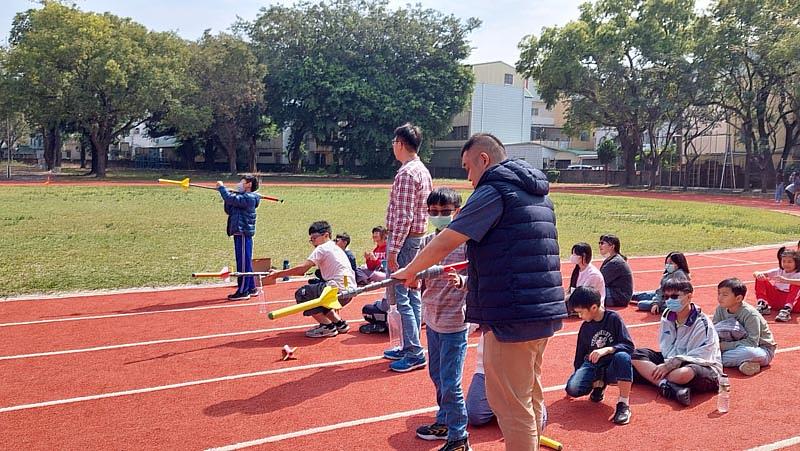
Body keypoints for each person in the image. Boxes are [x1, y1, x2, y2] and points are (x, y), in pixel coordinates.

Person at [393, 133, 566, 451]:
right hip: (542, 310)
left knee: (511, 407)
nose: (468, 177)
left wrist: (410, 269)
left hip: (512, 314)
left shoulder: (494, 190)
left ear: (483, 160)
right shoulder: (536, 193)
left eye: (467, 168)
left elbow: (447, 239)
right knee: (529, 394)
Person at [413, 187, 470, 450]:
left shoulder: (466, 244)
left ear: (457, 212)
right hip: (432, 318)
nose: (438, 216)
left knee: (450, 382)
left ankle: (459, 437)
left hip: (454, 324)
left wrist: (463, 281)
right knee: (436, 374)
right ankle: (444, 421)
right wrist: (410, 277)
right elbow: (415, 273)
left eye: (445, 212)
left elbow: (480, 277)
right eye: (433, 212)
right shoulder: (427, 243)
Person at [383, 123, 432, 372]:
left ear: (400, 144)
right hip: (418, 238)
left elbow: (403, 218)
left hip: (405, 241)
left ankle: (413, 351)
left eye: (394, 142)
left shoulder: (405, 174)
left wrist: (392, 252)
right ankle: (409, 345)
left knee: (403, 297)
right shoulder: (423, 171)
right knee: (412, 293)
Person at [631, 279, 722, 406]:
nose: (669, 300)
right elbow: (666, 347)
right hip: (672, 360)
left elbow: (703, 355)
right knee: (635, 354)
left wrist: (670, 365)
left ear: (689, 296)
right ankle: (668, 387)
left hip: (702, 366)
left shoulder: (702, 322)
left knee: (683, 374)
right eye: (666, 297)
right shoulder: (667, 315)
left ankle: (653, 378)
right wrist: (668, 364)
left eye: (674, 296)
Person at [266, 221, 356, 338]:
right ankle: (339, 323)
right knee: (318, 291)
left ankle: (327, 326)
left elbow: (302, 270)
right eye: (311, 239)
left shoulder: (322, 248)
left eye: (314, 238)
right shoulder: (336, 248)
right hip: (349, 292)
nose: (313, 242)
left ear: (326, 235)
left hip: (336, 291)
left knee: (303, 294)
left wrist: (278, 274)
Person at [565, 286, 634, 425]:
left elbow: (629, 346)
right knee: (573, 388)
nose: (579, 316)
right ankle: (598, 385)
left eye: (581, 312)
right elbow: (580, 355)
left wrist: (608, 349)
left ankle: (623, 404)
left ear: (594, 307)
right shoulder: (585, 326)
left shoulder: (613, 318)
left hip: (612, 365)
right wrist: (577, 374)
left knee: (623, 357)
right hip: (593, 365)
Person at [713, 278, 777, 376]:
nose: (720, 298)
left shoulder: (750, 314)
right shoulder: (720, 309)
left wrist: (723, 346)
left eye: (725, 295)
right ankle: (746, 364)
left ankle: (716, 359)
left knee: (748, 353)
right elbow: (713, 331)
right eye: (719, 293)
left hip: (760, 349)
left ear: (738, 298)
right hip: (730, 347)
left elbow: (752, 342)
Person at [217, 175, 261, 301]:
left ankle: (243, 291)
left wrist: (222, 188)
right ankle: (251, 287)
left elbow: (231, 199)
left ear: (249, 184)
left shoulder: (248, 197)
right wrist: (227, 195)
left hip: (243, 232)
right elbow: (229, 207)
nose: (239, 184)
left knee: (242, 263)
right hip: (239, 231)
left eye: (242, 182)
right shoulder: (241, 197)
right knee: (245, 261)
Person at [754, 249, 800, 322]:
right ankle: (763, 305)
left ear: (796, 263)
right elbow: (756, 273)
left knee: (796, 284)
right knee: (760, 278)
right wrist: (758, 274)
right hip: (776, 300)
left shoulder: (798, 274)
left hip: (794, 304)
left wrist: (786, 280)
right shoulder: (778, 271)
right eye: (784, 261)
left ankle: (786, 310)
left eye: (789, 262)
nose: (786, 264)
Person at [565, 242, 606, 314]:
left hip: (588, 304)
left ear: (583, 256)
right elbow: (571, 290)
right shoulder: (577, 270)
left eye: (575, 254)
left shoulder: (593, 274)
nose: (572, 256)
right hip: (578, 300)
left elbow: (583, 295)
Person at [598, 234, 633, 307]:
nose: (600, 245)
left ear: (612, 246)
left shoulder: (615, 263)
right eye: (599, 243)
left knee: (589, 295)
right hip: (616, 293)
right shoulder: (611, 260)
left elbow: (599, 281)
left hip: (618, 297)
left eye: (602, 243)